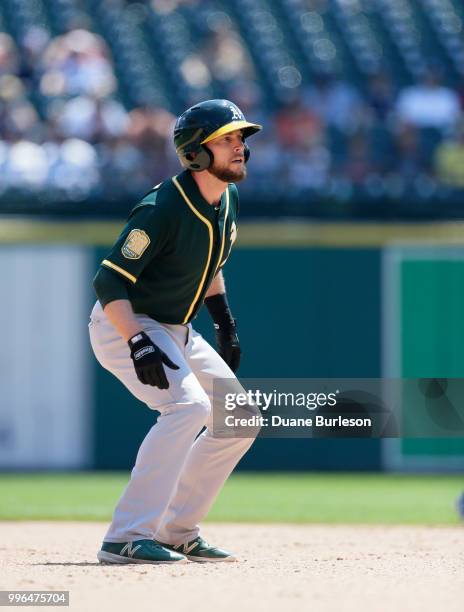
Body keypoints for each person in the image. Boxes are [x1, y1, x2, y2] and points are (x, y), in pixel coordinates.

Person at [89, 99, 262, 564]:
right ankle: (125, 536)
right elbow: (109, 281)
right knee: (187, 408)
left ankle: (176, 529)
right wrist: (137, 339)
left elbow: (211, 266)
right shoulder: (161, 207)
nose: (239, 146)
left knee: (241, 418)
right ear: (195, 153)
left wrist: (224, 321)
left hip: (176, 328)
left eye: (240, 138)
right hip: (126, 322)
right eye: (226, 139)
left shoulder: (225, 199)